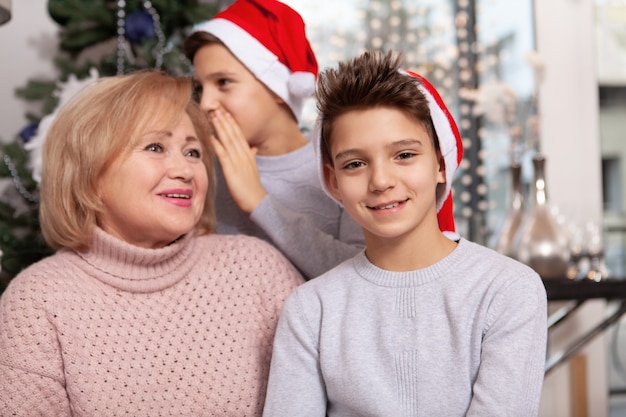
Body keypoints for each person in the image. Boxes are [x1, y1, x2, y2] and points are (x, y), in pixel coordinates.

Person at [0, 70, 304, 416]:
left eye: (192, 152)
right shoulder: (37, 301)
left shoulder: (257, 269)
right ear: (90, 175)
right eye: (155, 147)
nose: (185, 170)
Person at [263, 51, 548, 417]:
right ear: (333, 181)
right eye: (355, 164)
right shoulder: (310, 311)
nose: (381, 181)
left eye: (404, 155)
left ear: (441, 163)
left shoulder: (508, 291)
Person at [182, 0, 366, 279]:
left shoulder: (343, 165)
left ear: (278, 88)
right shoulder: (201, 169)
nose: (206, 102)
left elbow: (361, 275)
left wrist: (259, 202)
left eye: (223, 82)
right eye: (200, 88)